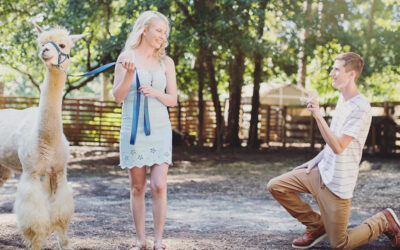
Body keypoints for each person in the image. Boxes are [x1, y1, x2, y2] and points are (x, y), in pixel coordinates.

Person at [267, 52, 400, 249]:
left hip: (338, 185)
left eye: (336, 70)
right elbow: (332, 139)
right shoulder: (342, 99)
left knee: (340, 244)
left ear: (351, 75)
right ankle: (317, 226)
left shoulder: (360, 106)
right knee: (276, 186)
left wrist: (318, 116)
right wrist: (317, 158)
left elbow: (339, 147)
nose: (331, 73)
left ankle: (383, 220)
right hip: (321, 171)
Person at [112, 10, 177, 250]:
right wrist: (130, 73)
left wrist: (156, 93)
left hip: (160, 128)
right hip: (133, 128)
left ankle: (159, 241)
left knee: (159, 185)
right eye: (159, 30)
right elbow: (118, 97)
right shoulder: (125, 57)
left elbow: (173, 100)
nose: (163, 36)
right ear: (144, 30)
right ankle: (141, 240)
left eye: (165, 32)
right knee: (137, 187)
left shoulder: (166, 62)